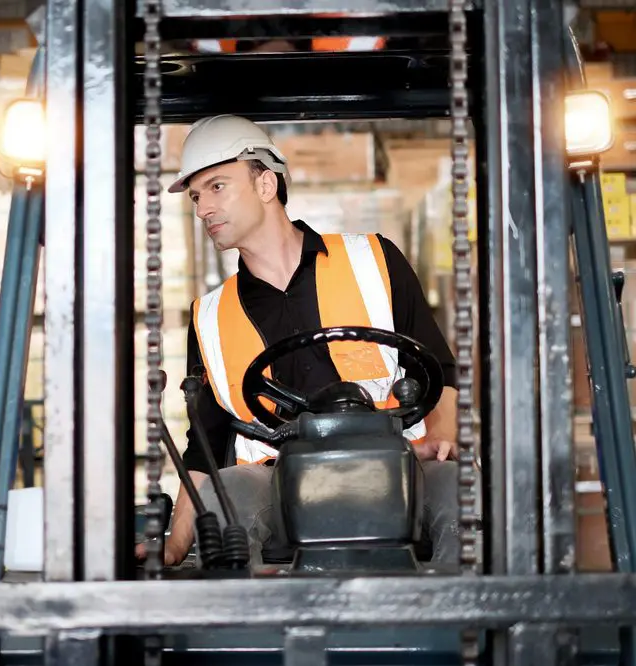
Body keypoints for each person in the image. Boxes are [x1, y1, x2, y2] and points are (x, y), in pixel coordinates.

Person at [138, 114, 460, 568]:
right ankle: (248, 633)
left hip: (398, 461)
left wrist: (442, 440)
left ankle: (461, 628)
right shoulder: (209, 316)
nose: (202, 208)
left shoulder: (374, 260)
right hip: (276, 479)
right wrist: (174, 542)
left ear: (266, 184)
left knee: (465, 496)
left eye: (216, 187)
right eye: (195, 196)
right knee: (226, 500)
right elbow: (203, 446)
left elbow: (437, 368)